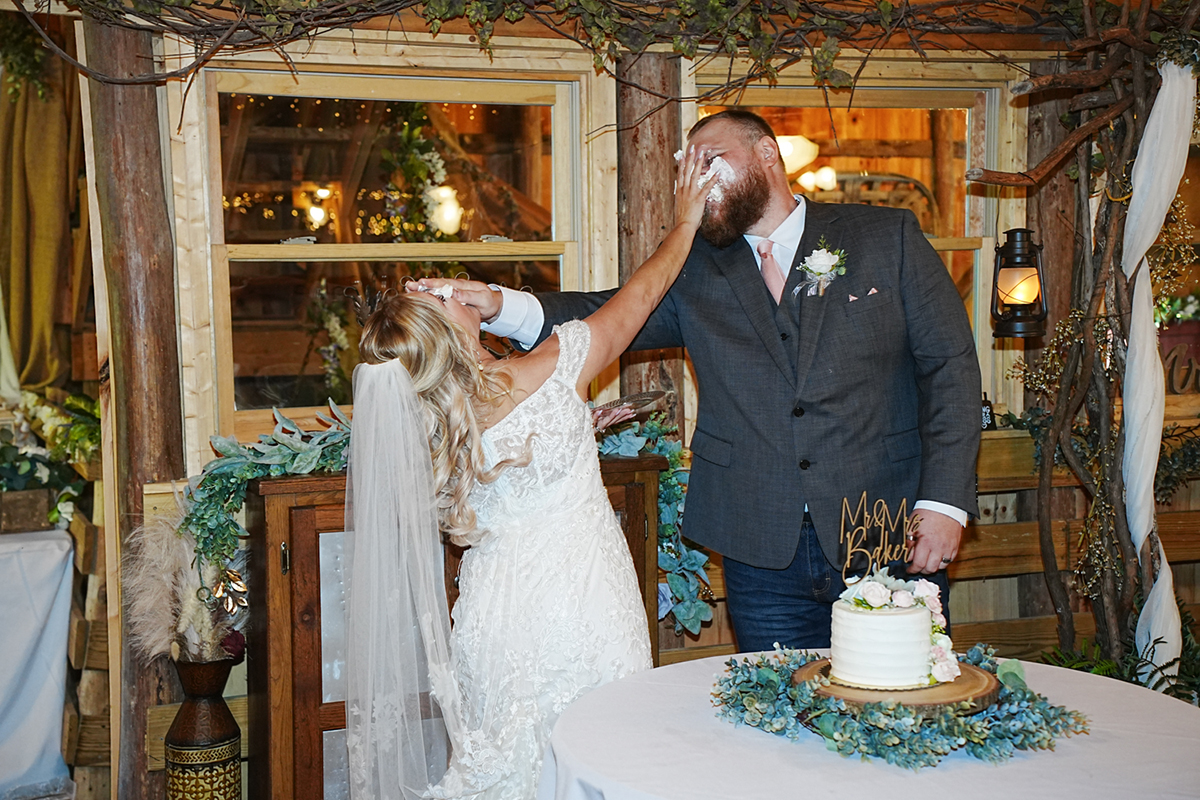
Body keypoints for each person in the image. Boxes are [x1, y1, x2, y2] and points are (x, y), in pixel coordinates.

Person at [416, 109, 982, 653]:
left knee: (896, 692)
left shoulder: (884, 237)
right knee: (778, 705)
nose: (694, 177)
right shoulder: (697, 266)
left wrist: (944, 504)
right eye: (686, 166)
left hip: (884, 525)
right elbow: (605, 315)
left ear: (768, 153)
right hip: (758, 543)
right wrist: (499, 306)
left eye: (710, 159)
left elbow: (951, 370)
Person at [343, 147, 716, 800]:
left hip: (494, 615)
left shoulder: (427, 425)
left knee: (510, 769)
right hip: (586, 602)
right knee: (603, 759)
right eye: (437, 296)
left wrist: (478, 305)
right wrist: (685, 222)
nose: (448, 286)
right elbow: (640, 296)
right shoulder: (550, 367)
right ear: (449, 329)